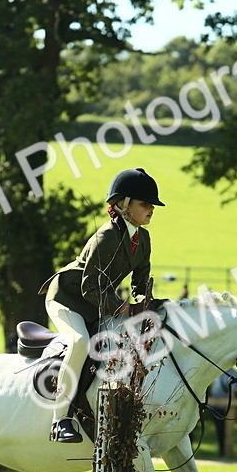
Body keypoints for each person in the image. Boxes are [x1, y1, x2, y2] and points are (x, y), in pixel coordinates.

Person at [38, 167, 163, 443]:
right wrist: (121, 308)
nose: (151, 209)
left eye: (152, 205)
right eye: (145, 204)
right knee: (81, 342)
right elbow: (88, 287)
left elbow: (139, 286)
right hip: (67, 299)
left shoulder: (142, 239)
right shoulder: (105, 237)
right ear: (124, 205)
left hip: (96, 304)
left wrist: (149, 303)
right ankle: (60, 420)